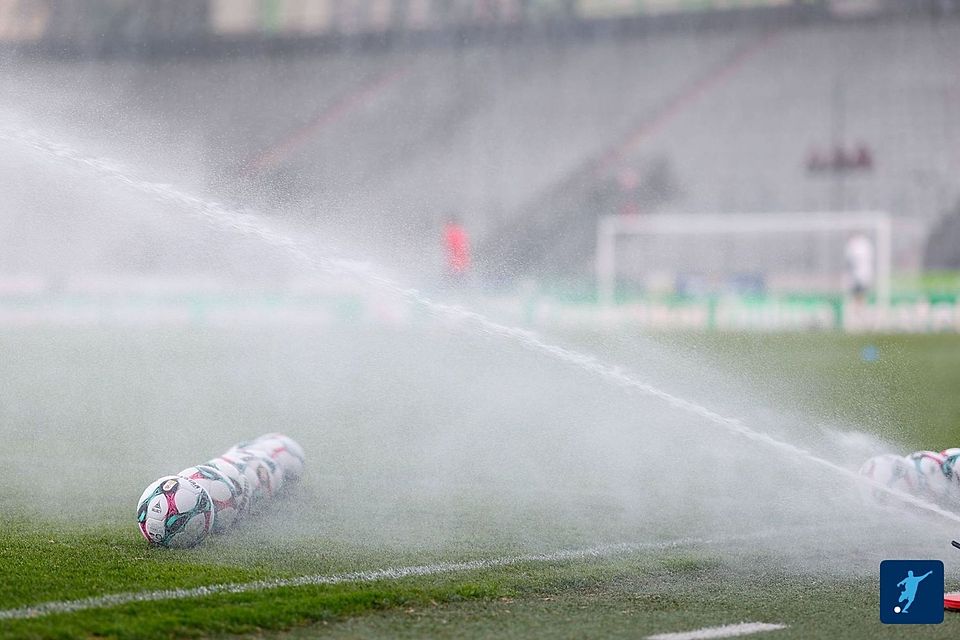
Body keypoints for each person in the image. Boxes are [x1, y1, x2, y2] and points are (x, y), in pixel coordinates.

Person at [844, 233, 874, 302]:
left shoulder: (862, 246)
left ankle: (859, 308)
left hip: (861, 276)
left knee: (860, 294)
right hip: (856, 276)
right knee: (856, 294)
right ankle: (857, 308)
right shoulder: (852, 247)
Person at [443, 216, 471, 284]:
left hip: (453, 261)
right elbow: (465, 246)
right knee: (460, 279)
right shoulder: (461, 231)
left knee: (453, 279)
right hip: (461, 261)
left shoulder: (449, 231)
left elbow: (448, 246)